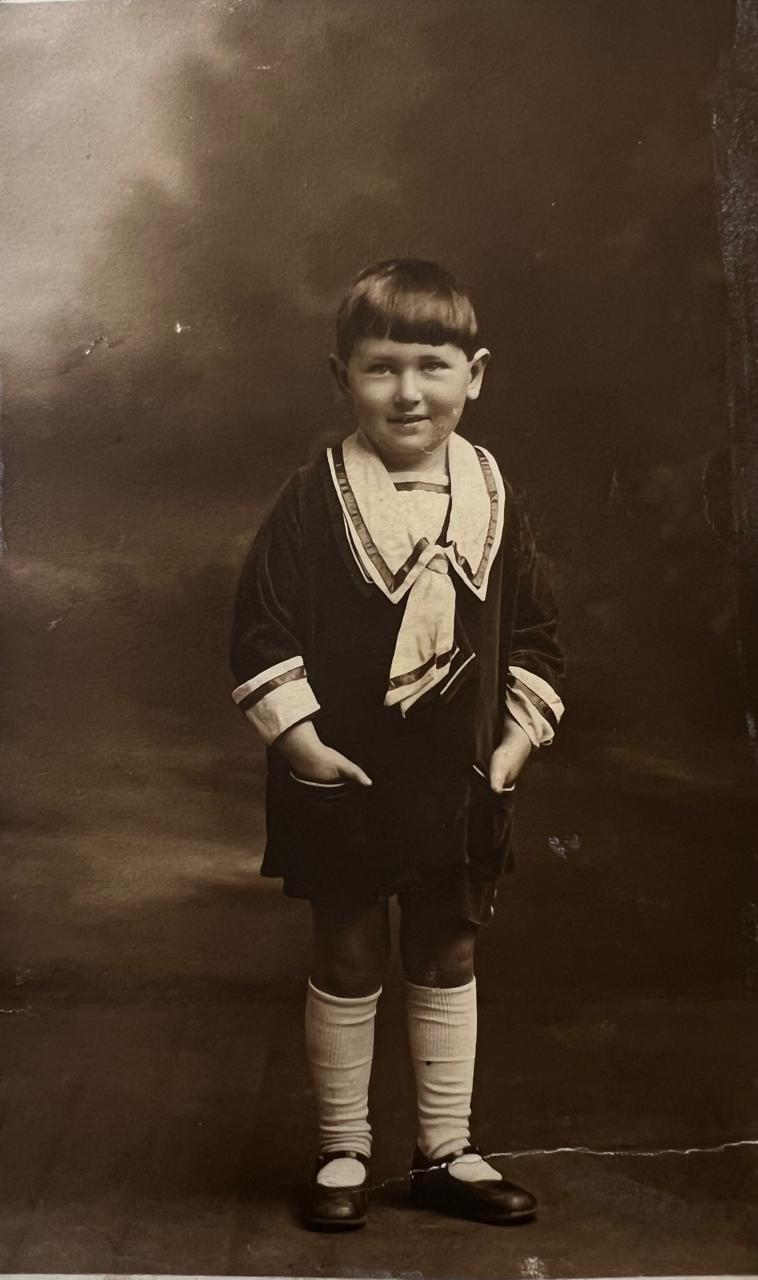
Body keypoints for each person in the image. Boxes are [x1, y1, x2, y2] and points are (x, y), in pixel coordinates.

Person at [229, 259, 565, 1230]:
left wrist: (514, 742)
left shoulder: (495, 497)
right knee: (346, 950)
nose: (407, 392)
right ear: (340, 377)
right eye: (380, 368)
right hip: (342, 772)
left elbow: (536, 632)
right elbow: (262, 628)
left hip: (458, 778)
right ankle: (343, 1148)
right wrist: (300, 743)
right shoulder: (313, 499)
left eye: (431, 366)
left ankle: (444, 1149)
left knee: (447, 948)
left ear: (475, 375)